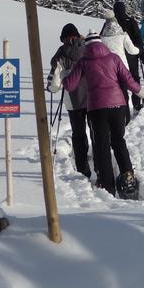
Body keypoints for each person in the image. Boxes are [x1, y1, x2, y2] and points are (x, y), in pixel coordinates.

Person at [61, 35, 144, 196]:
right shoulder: (114, 58)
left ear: (86, 45)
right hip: (118, 105)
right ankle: (128, 177)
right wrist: (141, 92)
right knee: (118, 141)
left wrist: (64, 76)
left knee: (102, 145)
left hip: (96, 108)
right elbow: (128, 80)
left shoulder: (83, 61)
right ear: (101, 43)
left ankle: (107, 185)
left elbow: (69, 85)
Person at [47, 23, 91, 178]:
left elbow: (54, 85)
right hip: (94, 97)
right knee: (96, 132)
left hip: (73, 100)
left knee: (78, 134)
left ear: (63, 38)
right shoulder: (88, 47)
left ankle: (83, 170)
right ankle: (100, 167)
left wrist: (51, 88)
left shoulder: (61, 54)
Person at [100, 9, 140, 123]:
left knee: (111, 94)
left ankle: (115, 119)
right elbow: (132, 51)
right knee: (124, 93)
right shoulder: (123, 34)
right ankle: (126, 117)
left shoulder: (102, 36)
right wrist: (139, 50)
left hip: (107, 70)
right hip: (122, 67)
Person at [114, 0, 144, 114]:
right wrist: (141, 52)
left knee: (120, 82)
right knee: (135, 78)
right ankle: (136, 103)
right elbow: (138, 37)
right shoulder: (131, 21)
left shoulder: (111, 24)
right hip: (131, 55)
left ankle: (124, 107)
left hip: (117, 58)